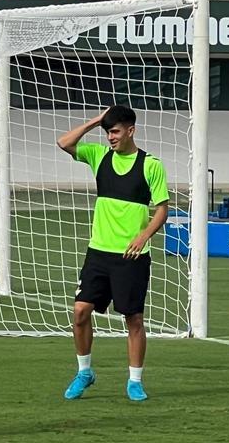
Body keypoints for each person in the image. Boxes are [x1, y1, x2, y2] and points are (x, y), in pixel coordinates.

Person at [57, 105, 169, 402]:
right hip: (98, 253)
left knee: (133, 319)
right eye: (108, 132)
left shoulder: (150, 165)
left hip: (131, 257)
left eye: (116, 131)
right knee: (80, 312)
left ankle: (134, 381)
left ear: (131, 130)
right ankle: (84, 372)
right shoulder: (99, 156)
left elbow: (162, 209)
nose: (111, 137)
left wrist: (143, 235)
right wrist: (97, 120)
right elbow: (64, 142)